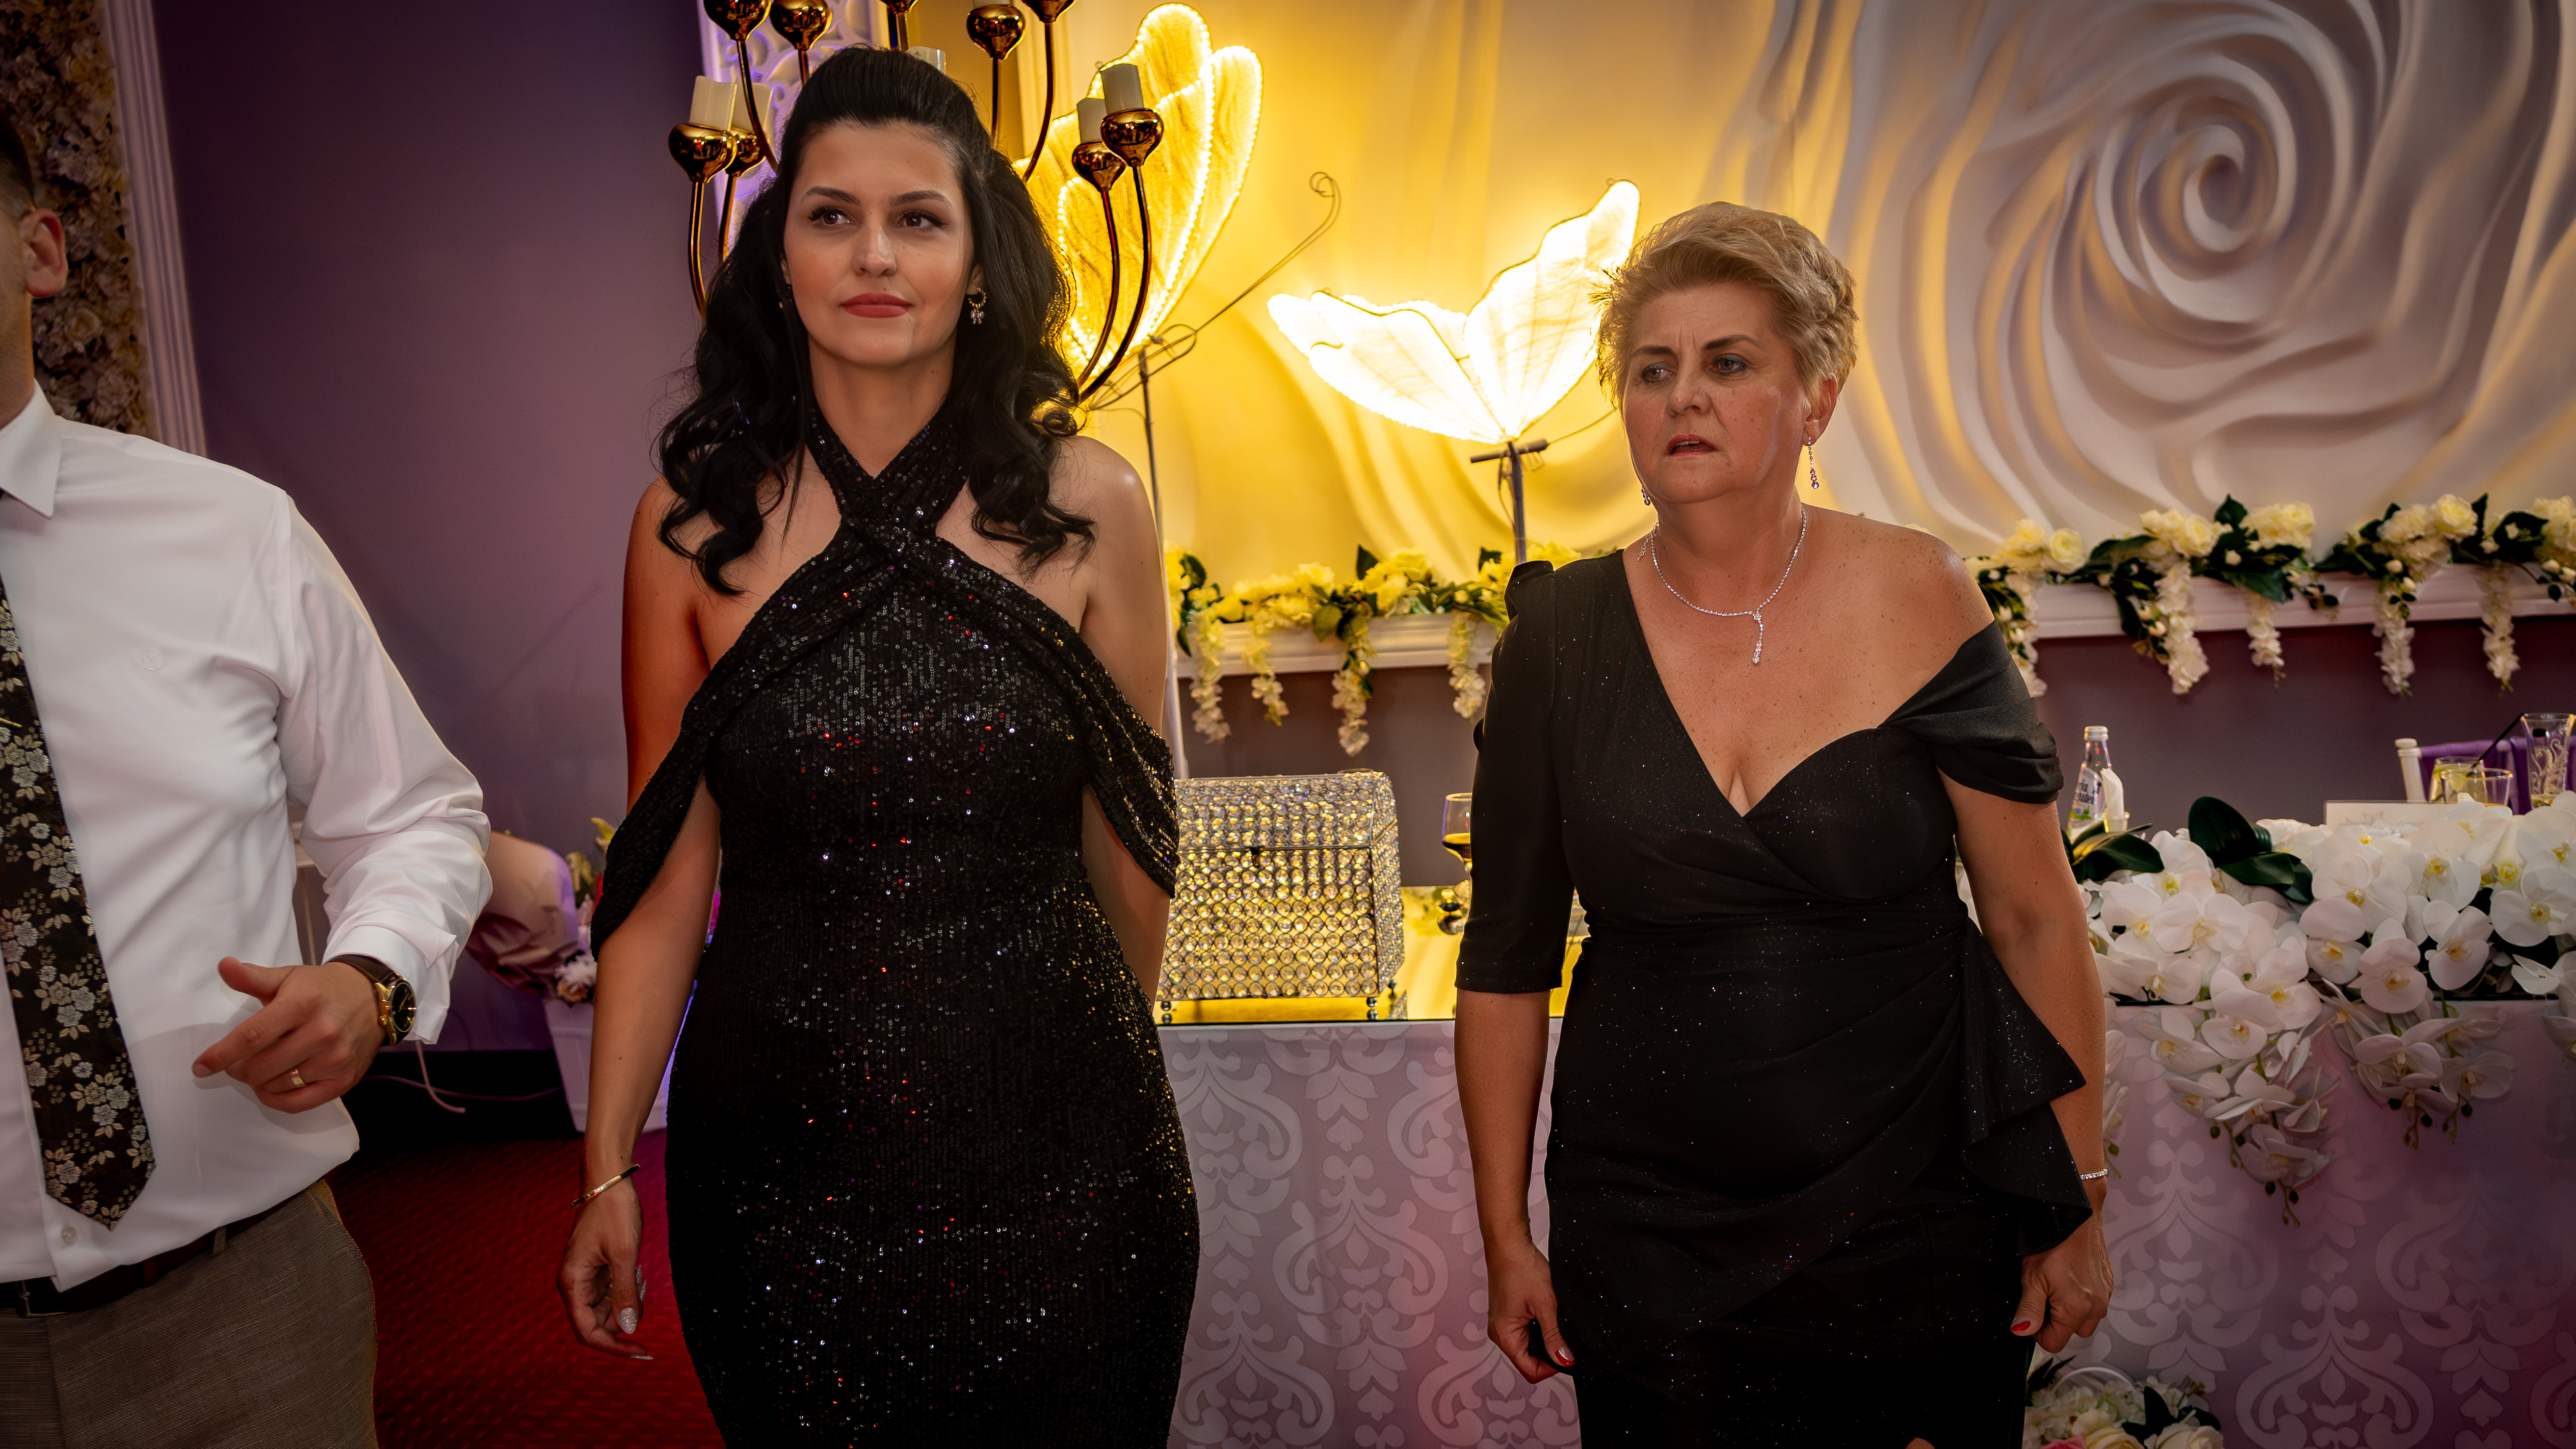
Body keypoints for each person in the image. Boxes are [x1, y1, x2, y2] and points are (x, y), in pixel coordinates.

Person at [556, 47, 1195, 1443]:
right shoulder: (688, 527)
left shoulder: (1093, 505)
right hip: (777, 1170)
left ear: (977, 263)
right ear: (777, 257)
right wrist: (606, 1167)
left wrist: (1092, 1070)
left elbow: (1135, 845)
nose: (874, 255)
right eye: (831, 215)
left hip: (1066, 1155)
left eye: (918, 218)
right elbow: (661, 878)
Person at [1453, 200, 2111, 1446]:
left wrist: (2074, 1195)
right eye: (1652, 370)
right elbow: (1504, 962)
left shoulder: (1920, 592)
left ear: (1816, 400)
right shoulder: (1558, 638)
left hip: (1920, 1202)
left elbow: (2034, 917)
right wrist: (1504, 1237)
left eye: (1728, 362)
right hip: (1649, 1224)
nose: (1683, 397)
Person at [0, 112, 491, 1447]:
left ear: (40, 251)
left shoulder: (230, 532)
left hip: (242, 1308)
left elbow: (414, 815)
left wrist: (370, 980)